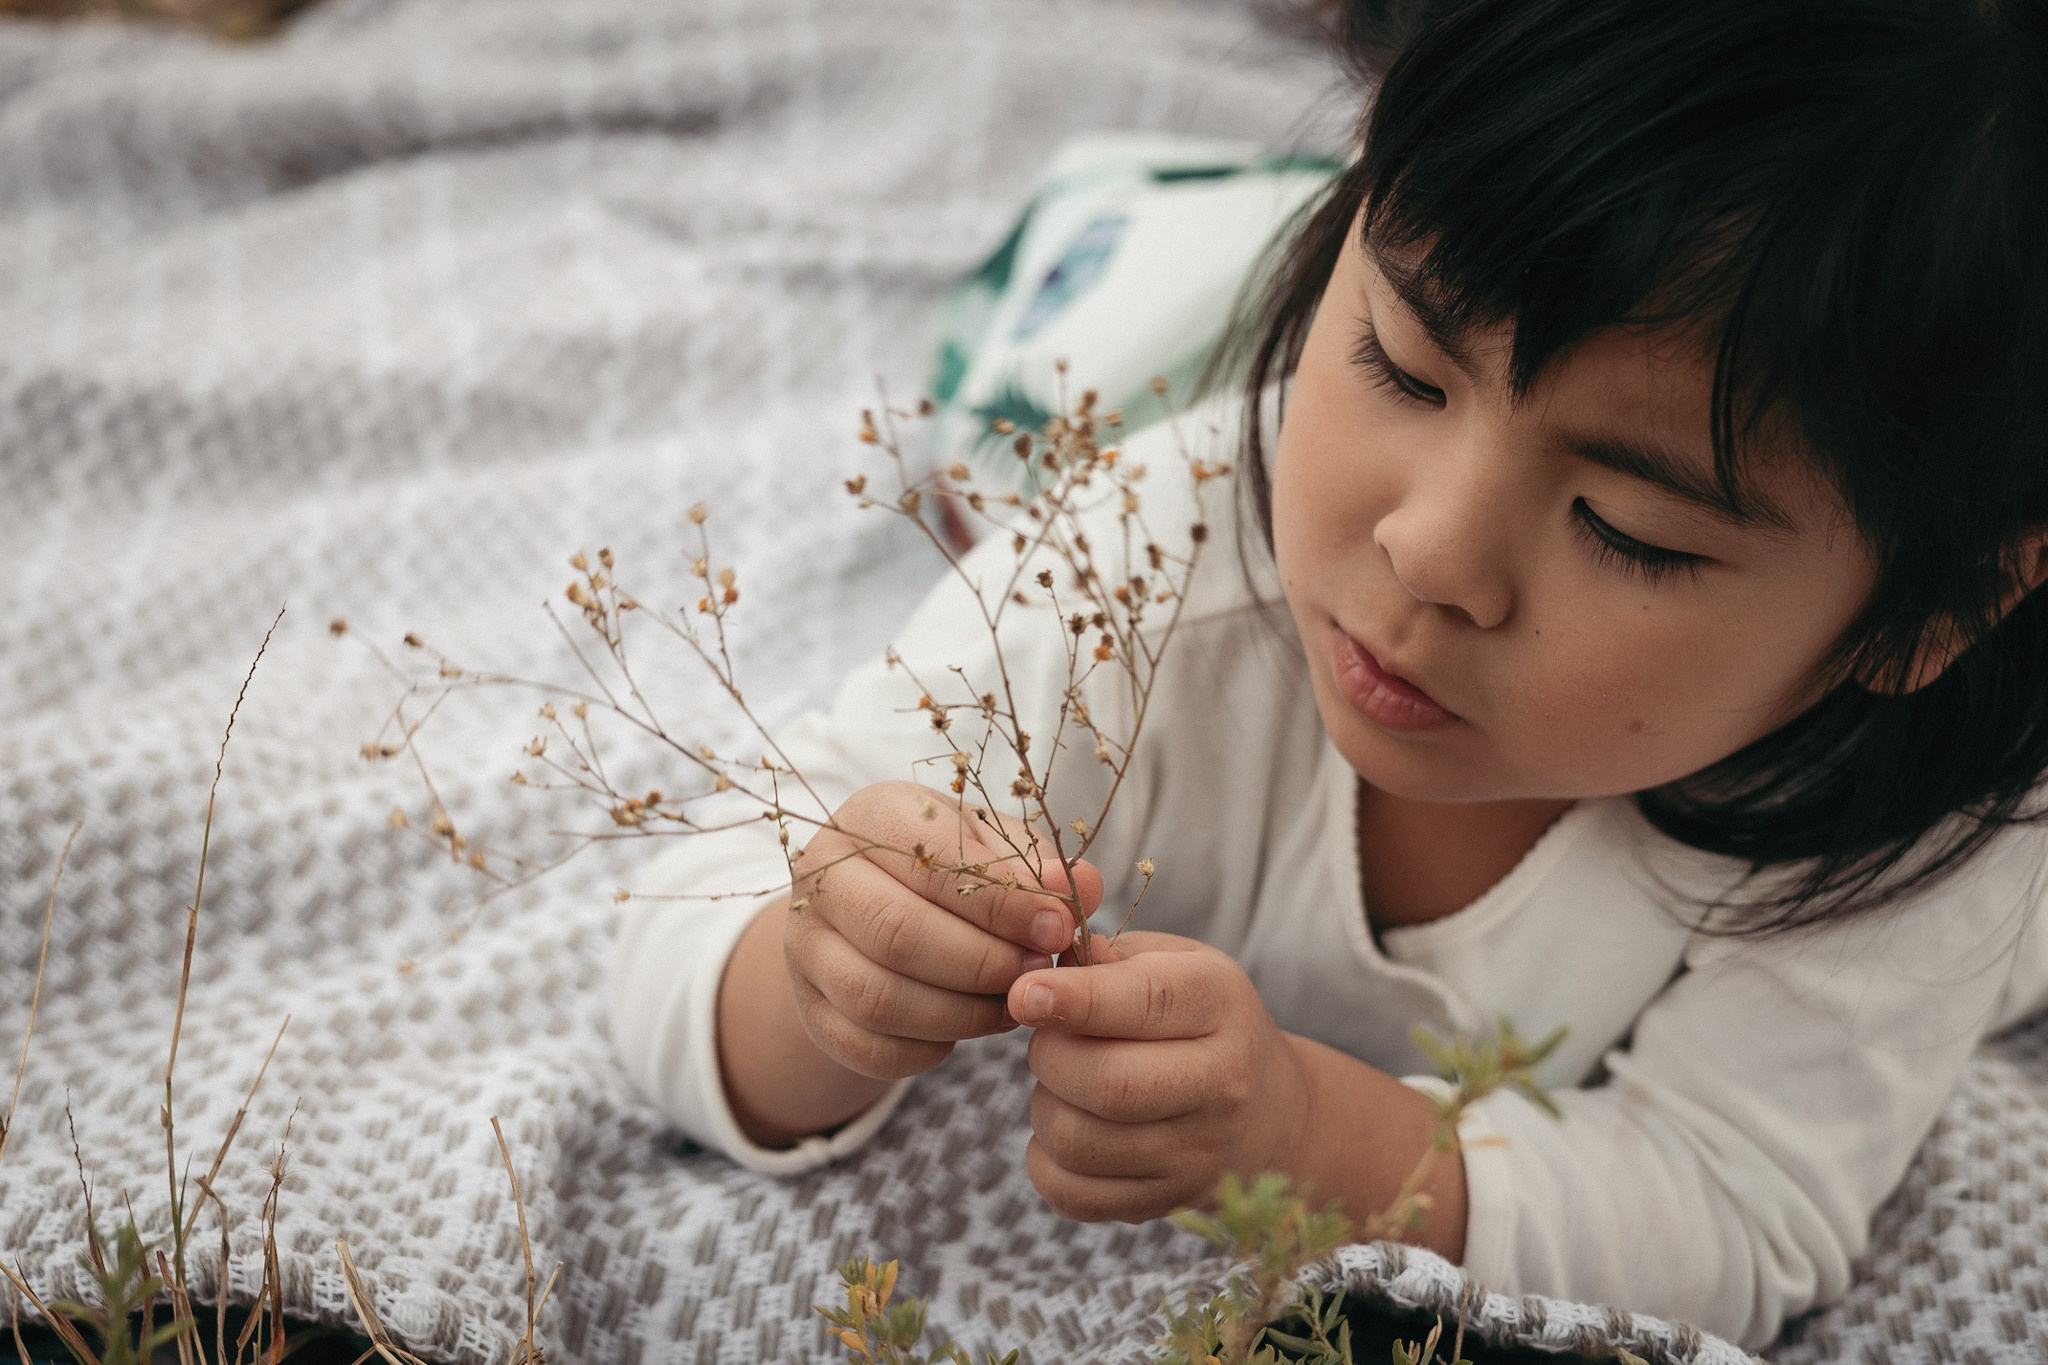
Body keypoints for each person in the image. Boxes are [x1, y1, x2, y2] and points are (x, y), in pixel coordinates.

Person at [608, 0, 2048, 1347]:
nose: (1426, 553)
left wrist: (1316, 1139)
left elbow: (1729, 1212)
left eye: (1626, 528)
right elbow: (682, 924)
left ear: (1933, 616)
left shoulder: (1934, 832)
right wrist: (817, 981)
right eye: (1405, 370)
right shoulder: (1149, 571)